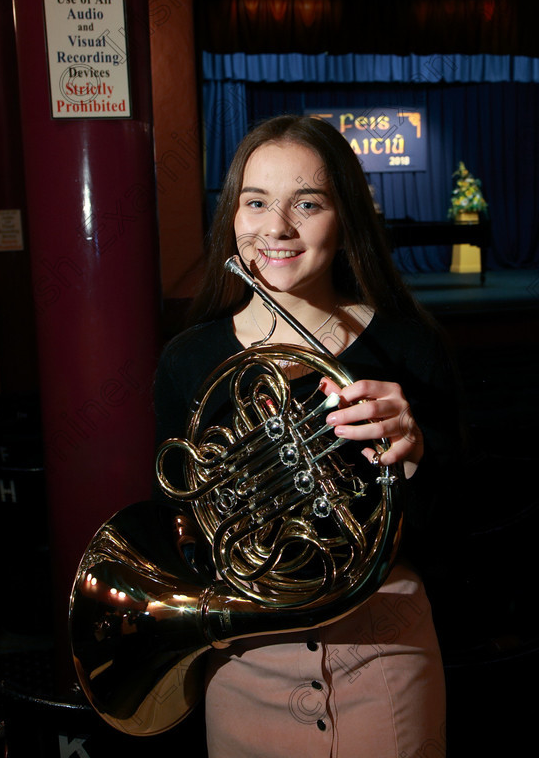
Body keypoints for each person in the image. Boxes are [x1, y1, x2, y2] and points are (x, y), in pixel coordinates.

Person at [153, 115, 461, 758]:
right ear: (231, 218)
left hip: (382, 650)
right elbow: (180, 525)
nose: (276, 228)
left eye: (308, 203)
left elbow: (455, 526)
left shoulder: (409, 346)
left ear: (344, 219)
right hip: (246, 659)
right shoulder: (189, 360)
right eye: (256, 202)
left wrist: (417, 453)